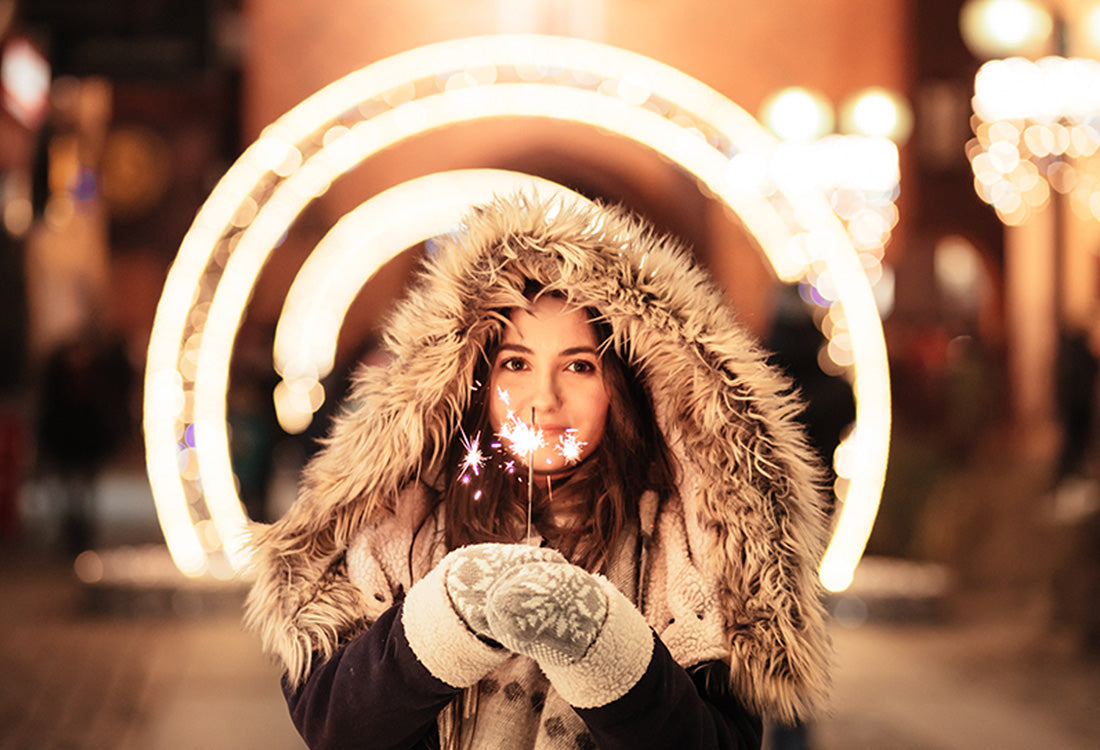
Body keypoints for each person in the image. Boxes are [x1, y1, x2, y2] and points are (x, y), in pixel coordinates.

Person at [245, 194, 831, 749]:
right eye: (516, 363)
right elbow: (336, 725)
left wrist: (599, 640)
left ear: (621, 387)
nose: (542, 399)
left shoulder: (685, 544)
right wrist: (450, 611)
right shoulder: (402, 519)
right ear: (476, 377)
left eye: (578, 365)